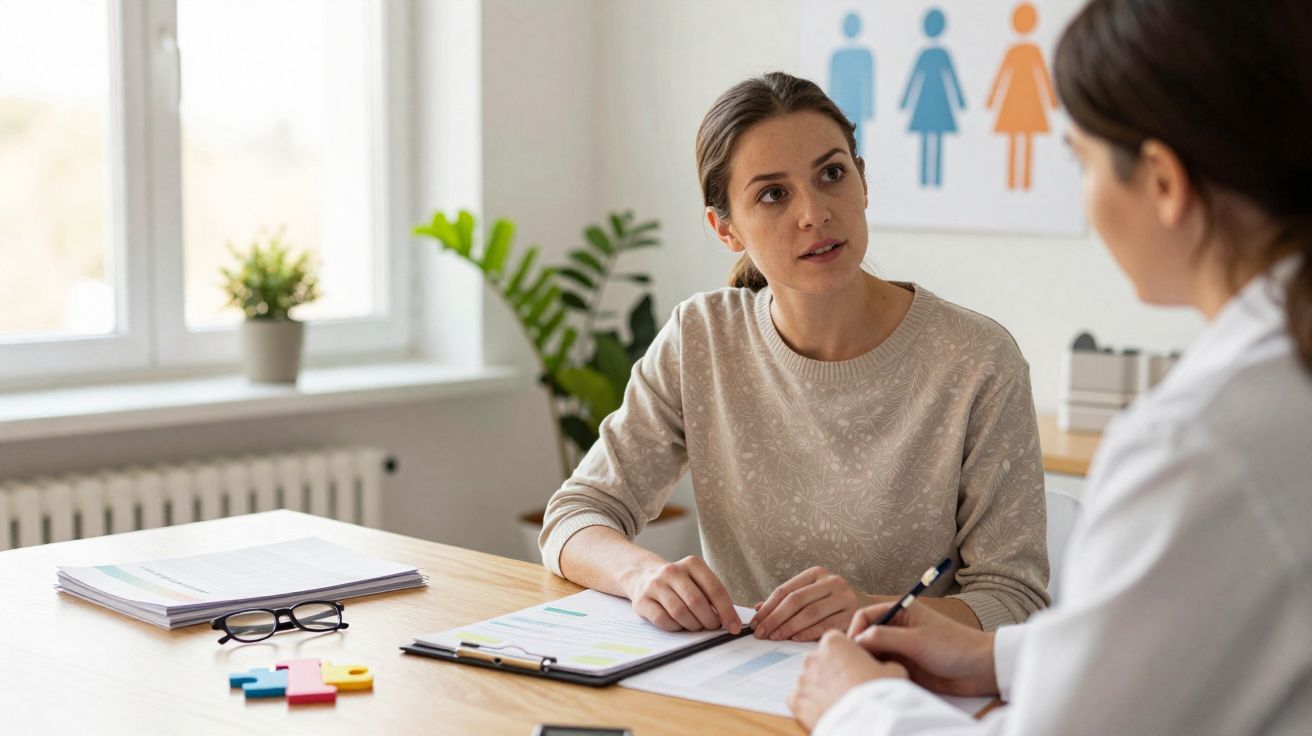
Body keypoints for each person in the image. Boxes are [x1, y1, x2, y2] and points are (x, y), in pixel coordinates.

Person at [790, 0, 1312, 732]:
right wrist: (1002, 656)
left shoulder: (1198, 444)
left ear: (1162, 182)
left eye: (1082, 161)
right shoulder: (1273, 389)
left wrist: (857, 705)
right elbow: (1186, 644)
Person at [539, 72, 1050, 645]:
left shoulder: (976, 359)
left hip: (904, 693)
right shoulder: (701, 338)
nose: (814, 213)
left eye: (832, 174)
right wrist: (643, 575)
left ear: (862, 183)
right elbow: (575, 515)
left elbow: (1015, 598)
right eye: (773, 194)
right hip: (734, 684)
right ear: (724, 229)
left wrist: (872, 611)